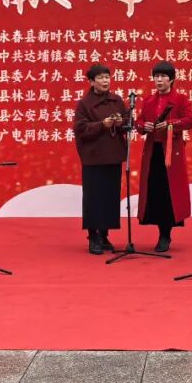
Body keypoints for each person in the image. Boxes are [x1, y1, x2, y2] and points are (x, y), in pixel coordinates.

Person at [136, 61, 192, 252]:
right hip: (153, 151)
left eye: (163, 76)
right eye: (156, 76)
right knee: (155, 190)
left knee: (169, 192)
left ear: (171, 79)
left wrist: (171, 124)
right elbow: (139, 121)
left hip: (170, 153)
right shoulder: (148, 100)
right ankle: (159, 229)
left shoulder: (180, 99)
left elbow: (190, 120)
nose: (159, 80)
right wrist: (144, 126)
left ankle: (165, 234)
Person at [73, 63, 128, 254]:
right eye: (101, 78)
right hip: (93, 158)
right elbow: (80, 129)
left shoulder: (117, 100)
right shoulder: (84, 104)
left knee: (110, 198)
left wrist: (120, 123)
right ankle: (93, 237)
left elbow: (127, 123)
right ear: (91, 81)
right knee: (94, 198)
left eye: (107, 77)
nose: (105, 81)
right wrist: (101, 125)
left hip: (113, 156)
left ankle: (104, 235)